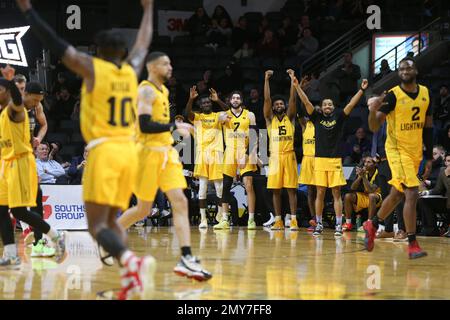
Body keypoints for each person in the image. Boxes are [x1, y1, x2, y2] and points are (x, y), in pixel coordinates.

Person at [15, 0, 156, 299]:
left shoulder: (92, 68)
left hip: (104, 152)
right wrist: (147, 10)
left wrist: (28, 10)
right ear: (122, 52)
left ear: (98, 49)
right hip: (129, 152)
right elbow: (143, 43)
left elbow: (53, 40)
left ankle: (132, 262)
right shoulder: (130, 70)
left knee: (96, 227)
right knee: (112, 222)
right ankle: (129, 282)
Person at [116, 52, 212, 281]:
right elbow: (145, 124)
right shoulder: (146, 90)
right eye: (165, 63)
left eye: (170, 62)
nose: (170, 67)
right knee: (143, 210)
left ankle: (186, 258)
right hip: (147, 154)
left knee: (180, 201)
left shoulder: (164, 90)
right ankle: (109, 235)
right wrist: (175, 125)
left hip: (167, 153)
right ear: (152, 66)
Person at [367, 57, 433, 259]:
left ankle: (372, 224)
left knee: (397, 194)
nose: (405, 69)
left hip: (414, 152)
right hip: (396, 150)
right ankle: (412, 243)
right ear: (398, 73)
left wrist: (429, 155)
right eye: (402, 67)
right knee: (412, 192)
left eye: (409, 66)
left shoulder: (425, 93)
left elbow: (428, 126)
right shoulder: (393, 96)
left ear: (416, 71)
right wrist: (372, 110)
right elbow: (374, 126)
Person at [0, 65, 65, 267]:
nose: (35, 104)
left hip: (19, 163)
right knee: (2, 210)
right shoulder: (4, 113)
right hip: (6, 163)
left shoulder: (16, 109)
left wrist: (9, 81)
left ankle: (55, 236)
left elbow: (17, 100)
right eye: (34, 99)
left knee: (19, 211)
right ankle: (10, 254)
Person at [294, 76, 369, 237]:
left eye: (330, 104)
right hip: (319, 161)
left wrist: (361, 90)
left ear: (333, 107)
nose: (327, 106)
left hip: (335, 161)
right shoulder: (316, 117)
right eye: (325, 104)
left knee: (336, 194)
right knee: (319, 193)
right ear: (321, 107)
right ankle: (319, 223)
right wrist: (297, 87)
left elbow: (351, 104)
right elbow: (306, 102)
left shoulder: (339, 117)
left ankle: (338, 224)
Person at [186, 86, 229, 229]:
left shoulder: (218, 116)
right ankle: (203, 219)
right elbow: (188, 114)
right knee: (202, 187)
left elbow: (229, 112)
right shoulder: (198, 118)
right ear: (200, 105)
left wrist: (218, 100)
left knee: (219, 188)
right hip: (202, 153)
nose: (206, 104)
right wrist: (191, 99)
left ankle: (221, 215)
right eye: (204, 103)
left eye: (208, 103)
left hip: (216, 153)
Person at [213, 91, 258, 230]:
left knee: (248, 185)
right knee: (226, 186)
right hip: (230, 151)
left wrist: (248, 154)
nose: (236, 99)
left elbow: (255, 136)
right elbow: (220, 120)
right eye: (233, 98)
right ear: (230, 100)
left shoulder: (249, 115)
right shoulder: (223, 115)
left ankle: (251, 219)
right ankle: (225, 219)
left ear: (241, 100)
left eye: (238, 98)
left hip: (245, 150)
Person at [263, 69, 299, 231]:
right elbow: (266, 99)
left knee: (291, 189)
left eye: (280, 104)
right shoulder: (269, 119)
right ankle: (278, 220)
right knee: (276, 190)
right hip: (275, 157)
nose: (279, 105)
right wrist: (266, 80)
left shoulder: (290, 118)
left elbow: (292, 99)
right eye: (276, 104)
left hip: (289, 155)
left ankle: (293, 220)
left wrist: (292, 80)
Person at [343, 155, 382, 231]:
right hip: (365, 196)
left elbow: (371, 190)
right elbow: (353, 188)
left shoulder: (378, 174)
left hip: (378, 197)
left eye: (369, 162)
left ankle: (369, 223)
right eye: (365, 162)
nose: (366, 164)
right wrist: (360, 177)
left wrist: (363, 177)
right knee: (348, 196)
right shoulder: (363, 172)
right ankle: (348, 223)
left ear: (374, 164)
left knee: (371, 196)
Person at [419, 152, 450, 237]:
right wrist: (427, 192)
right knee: (424, 200)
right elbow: (438, 189)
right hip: (445, 202)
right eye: (447, 161)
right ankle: (431, 230)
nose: (448, 163)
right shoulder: (442, 171)